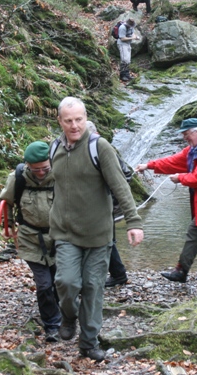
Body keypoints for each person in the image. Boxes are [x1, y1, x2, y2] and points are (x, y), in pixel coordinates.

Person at [49, 97, 144, 362]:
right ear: (60, 121)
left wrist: (133, 222)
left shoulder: (99, 147)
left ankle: (88, 344)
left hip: (98, 235)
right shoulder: (54, 147)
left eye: (79, 119)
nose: (74, 125)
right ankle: (68, 315)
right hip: (65, 233)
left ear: (85, 117)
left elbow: (120, 186)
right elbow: (50, 184)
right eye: (68, 120)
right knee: (66, 282)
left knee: (93, 288)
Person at [135, 118, 197, 283]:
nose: (185, 137)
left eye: (187, 134)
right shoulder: (194, 150)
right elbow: (173, 161)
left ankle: (182, 271)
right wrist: (148, 165)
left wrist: (181, 178)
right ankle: (182, 271)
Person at [0, 141, 62, 342]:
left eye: (45, 168)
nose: (42, 173)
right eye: (36, 170)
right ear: (27, 165)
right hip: (30, 238)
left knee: (61, 281)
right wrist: (7, 226)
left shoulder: (61, 175)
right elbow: (6, 203)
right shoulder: (18, 178)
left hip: (60, 237)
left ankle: (63, 313)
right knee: (44, 284)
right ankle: (52, 324)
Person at [85, 121, 129, 288]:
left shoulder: (104, 150)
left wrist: (112, 199)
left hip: (105, 204)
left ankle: (117, 275)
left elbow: (125, 176)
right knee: (104, 240)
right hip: (92, 205)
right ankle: (117, 274)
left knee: (107, 240)